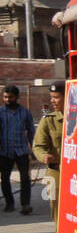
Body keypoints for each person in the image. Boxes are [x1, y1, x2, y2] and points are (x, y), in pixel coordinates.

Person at [31, 81, 77, 233]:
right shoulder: (49, 120)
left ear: (68, 97)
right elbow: (38, 146)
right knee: (59, 217)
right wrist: (43, 156)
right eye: (52, 98)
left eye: (56, 97)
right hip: (55, 175)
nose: (52, 101)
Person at [0, 84, 35, 215]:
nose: (8, 99)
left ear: (17, 97)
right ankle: (9, 203)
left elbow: (31, 131)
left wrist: (34, 150)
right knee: (5, 178)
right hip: (5, 152)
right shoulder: (1, 112)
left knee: (25, 178)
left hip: (22, 151)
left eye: (10, 97)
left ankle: (25, 204)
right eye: (5, 97)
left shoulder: (25, 112)